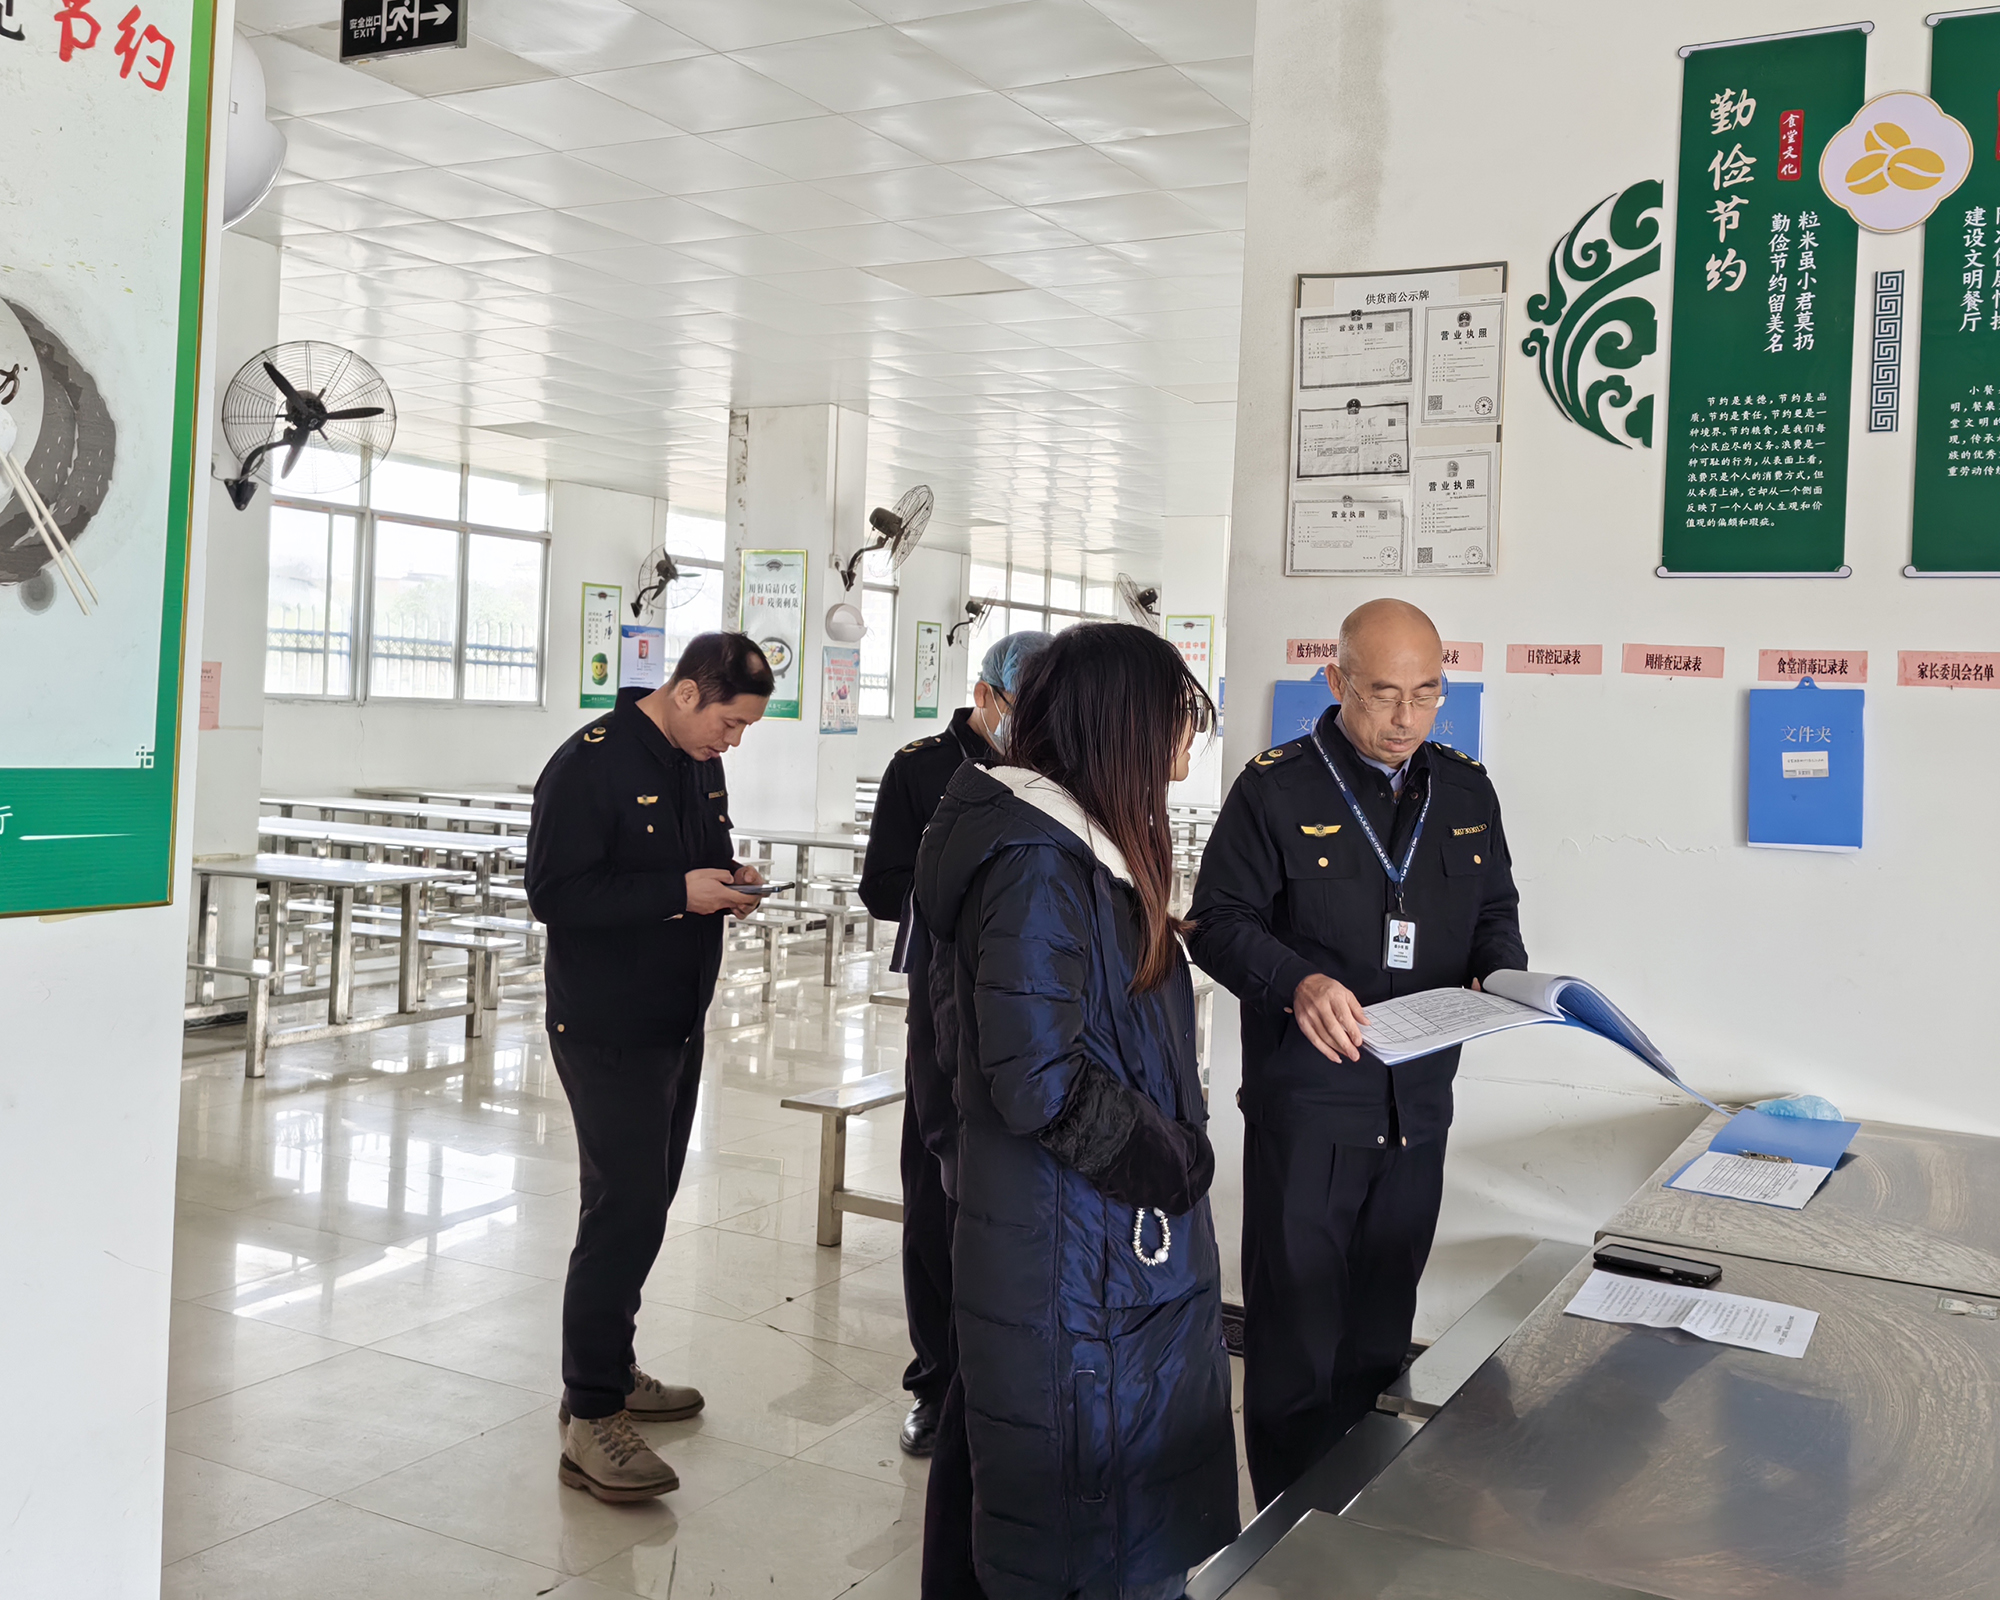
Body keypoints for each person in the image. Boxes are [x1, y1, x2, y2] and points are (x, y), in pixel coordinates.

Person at [915, 622, 1238, 1600]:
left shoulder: (1071, 853)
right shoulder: (1037, 863)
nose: (1188, 743)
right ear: (1122, 727)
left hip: (1081, 1245)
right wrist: (1169, 1160)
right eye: (1177, 720)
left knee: (1078, 1509)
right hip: (1075, 1256)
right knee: (1087, 1534)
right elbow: (1037, 1076)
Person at [1188, 598, 1527, 1509]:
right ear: (1336, 682)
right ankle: (1286, 1535)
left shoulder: (1466, 790)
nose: (1407, 717)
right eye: (1382, 694)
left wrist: (1503, 974)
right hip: (1312, 1111)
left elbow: (1494, 912)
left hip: (1417, 1108)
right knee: (1296, 1343)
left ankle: (1358, 1523)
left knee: (1380, 1338)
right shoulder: (1276, 789)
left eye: (1427, 693)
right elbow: (1215, 924)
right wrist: (1295, 981)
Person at [525, 632, 773, 1504]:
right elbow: (554, 894)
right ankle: (591, 1415)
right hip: (607, 1022)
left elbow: (687, 860)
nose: (732, 741)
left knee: (647, 1204)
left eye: (744, 731)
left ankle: (612, 1365)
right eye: (729, 723)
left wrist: (728, 880)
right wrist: (679, 894)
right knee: (620, 1209)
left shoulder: (697, 764)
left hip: (674, 1018)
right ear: (688, 691)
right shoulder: (588, 763)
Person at [857, 629, 1052, 1459]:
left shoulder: (1055, 764)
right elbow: (880, 888)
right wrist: (969, 887)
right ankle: (936, 1384)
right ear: (984, 696)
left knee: (1018, 1191)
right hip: (943, 1002)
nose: (1032, 723)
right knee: (936, 1192)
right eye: (1021, 706)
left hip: (1031, 998)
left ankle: (1012, 1379)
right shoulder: (922, 768)